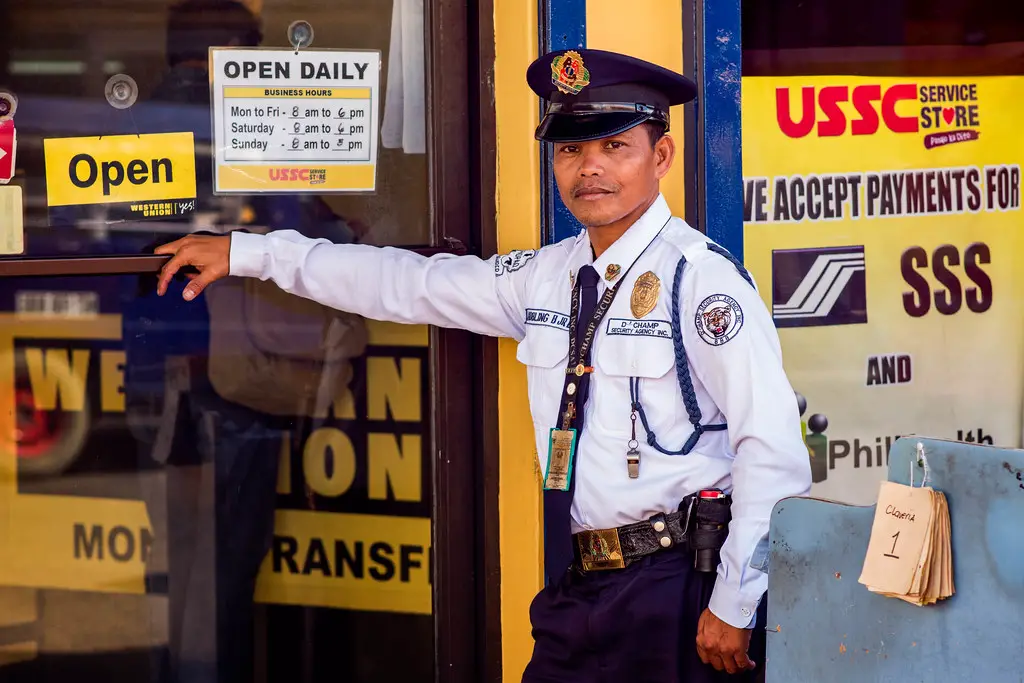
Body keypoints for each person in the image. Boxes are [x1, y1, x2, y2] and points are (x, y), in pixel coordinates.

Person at [152, 48, 812, 682]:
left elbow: (773, 449)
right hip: (580, 585)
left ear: (660, 155)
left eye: (615, 146)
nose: (590, 169)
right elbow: (404, 283)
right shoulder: (550, 276)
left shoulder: (701, 281)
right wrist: (250, 254)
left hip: (677, 588)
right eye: (572, 149)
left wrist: (734, 601)